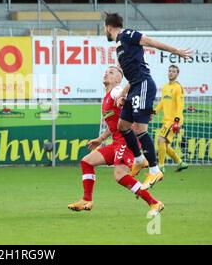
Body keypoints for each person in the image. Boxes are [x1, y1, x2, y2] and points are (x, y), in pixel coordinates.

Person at [103, 12, 192, 190]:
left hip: (144, 85)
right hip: (135, 86)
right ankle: (139, 159)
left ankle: (154, 170)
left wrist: (176, 51)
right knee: (123, 125)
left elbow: (150, 41)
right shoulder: (120, 45)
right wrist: (123, 94)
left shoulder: (127, 34)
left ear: (108, 27)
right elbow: (132, 76)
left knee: (139, 129)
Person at [68, 66, 164, 216]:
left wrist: (131, 90)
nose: (107, 73)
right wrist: (101, 139)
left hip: (126, 141)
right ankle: (86, 200)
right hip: (117, 142)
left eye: (111, 72)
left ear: (119, 79)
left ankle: (154, 203)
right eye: (106, 72)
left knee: (120, 175)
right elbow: (114, 125)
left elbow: (122, 94)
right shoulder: (106, 97)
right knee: (87, 161)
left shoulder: (115, 92)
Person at [154, 65, 188, 173]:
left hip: (174, 120)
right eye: (170, 71)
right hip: (167, 120)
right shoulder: (165, 87)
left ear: (177, 74)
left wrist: (176, 122)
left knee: (161, 140)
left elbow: (180, 106)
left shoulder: (178, 87)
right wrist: (154, 112)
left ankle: (161, 166)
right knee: (165, 144)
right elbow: (162, 103)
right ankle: (180, 162)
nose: (171, 73)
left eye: (173, 71)